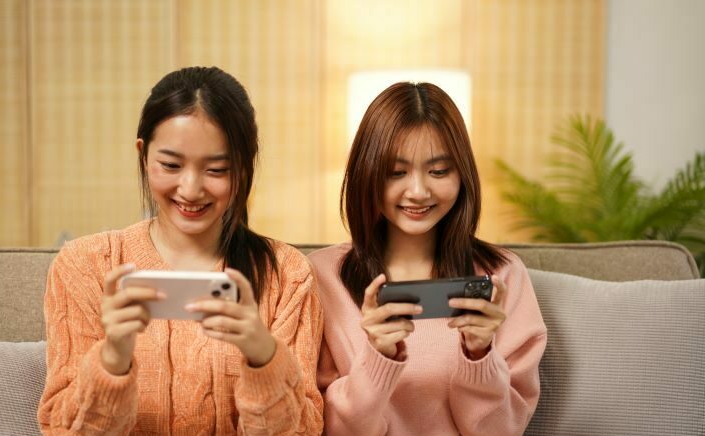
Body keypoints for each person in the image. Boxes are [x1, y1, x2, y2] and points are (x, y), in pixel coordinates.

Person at [38, 66, 323, 435]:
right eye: (171, 165)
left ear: (244, 167)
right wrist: (113, 359)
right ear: (143, 155)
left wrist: (263, 356)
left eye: (217, 169)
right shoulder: (85, 265)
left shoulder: (287, 274)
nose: (190, 189)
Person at [309, 82, 547, 435]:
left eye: (438, 171)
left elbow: (502, 431)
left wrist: (481, 356)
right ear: (367, 172)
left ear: (462, 175)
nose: (419, 192)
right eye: (396, 172)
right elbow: (324, 427)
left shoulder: (503, 275)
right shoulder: (320, 276)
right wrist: (377, 358)